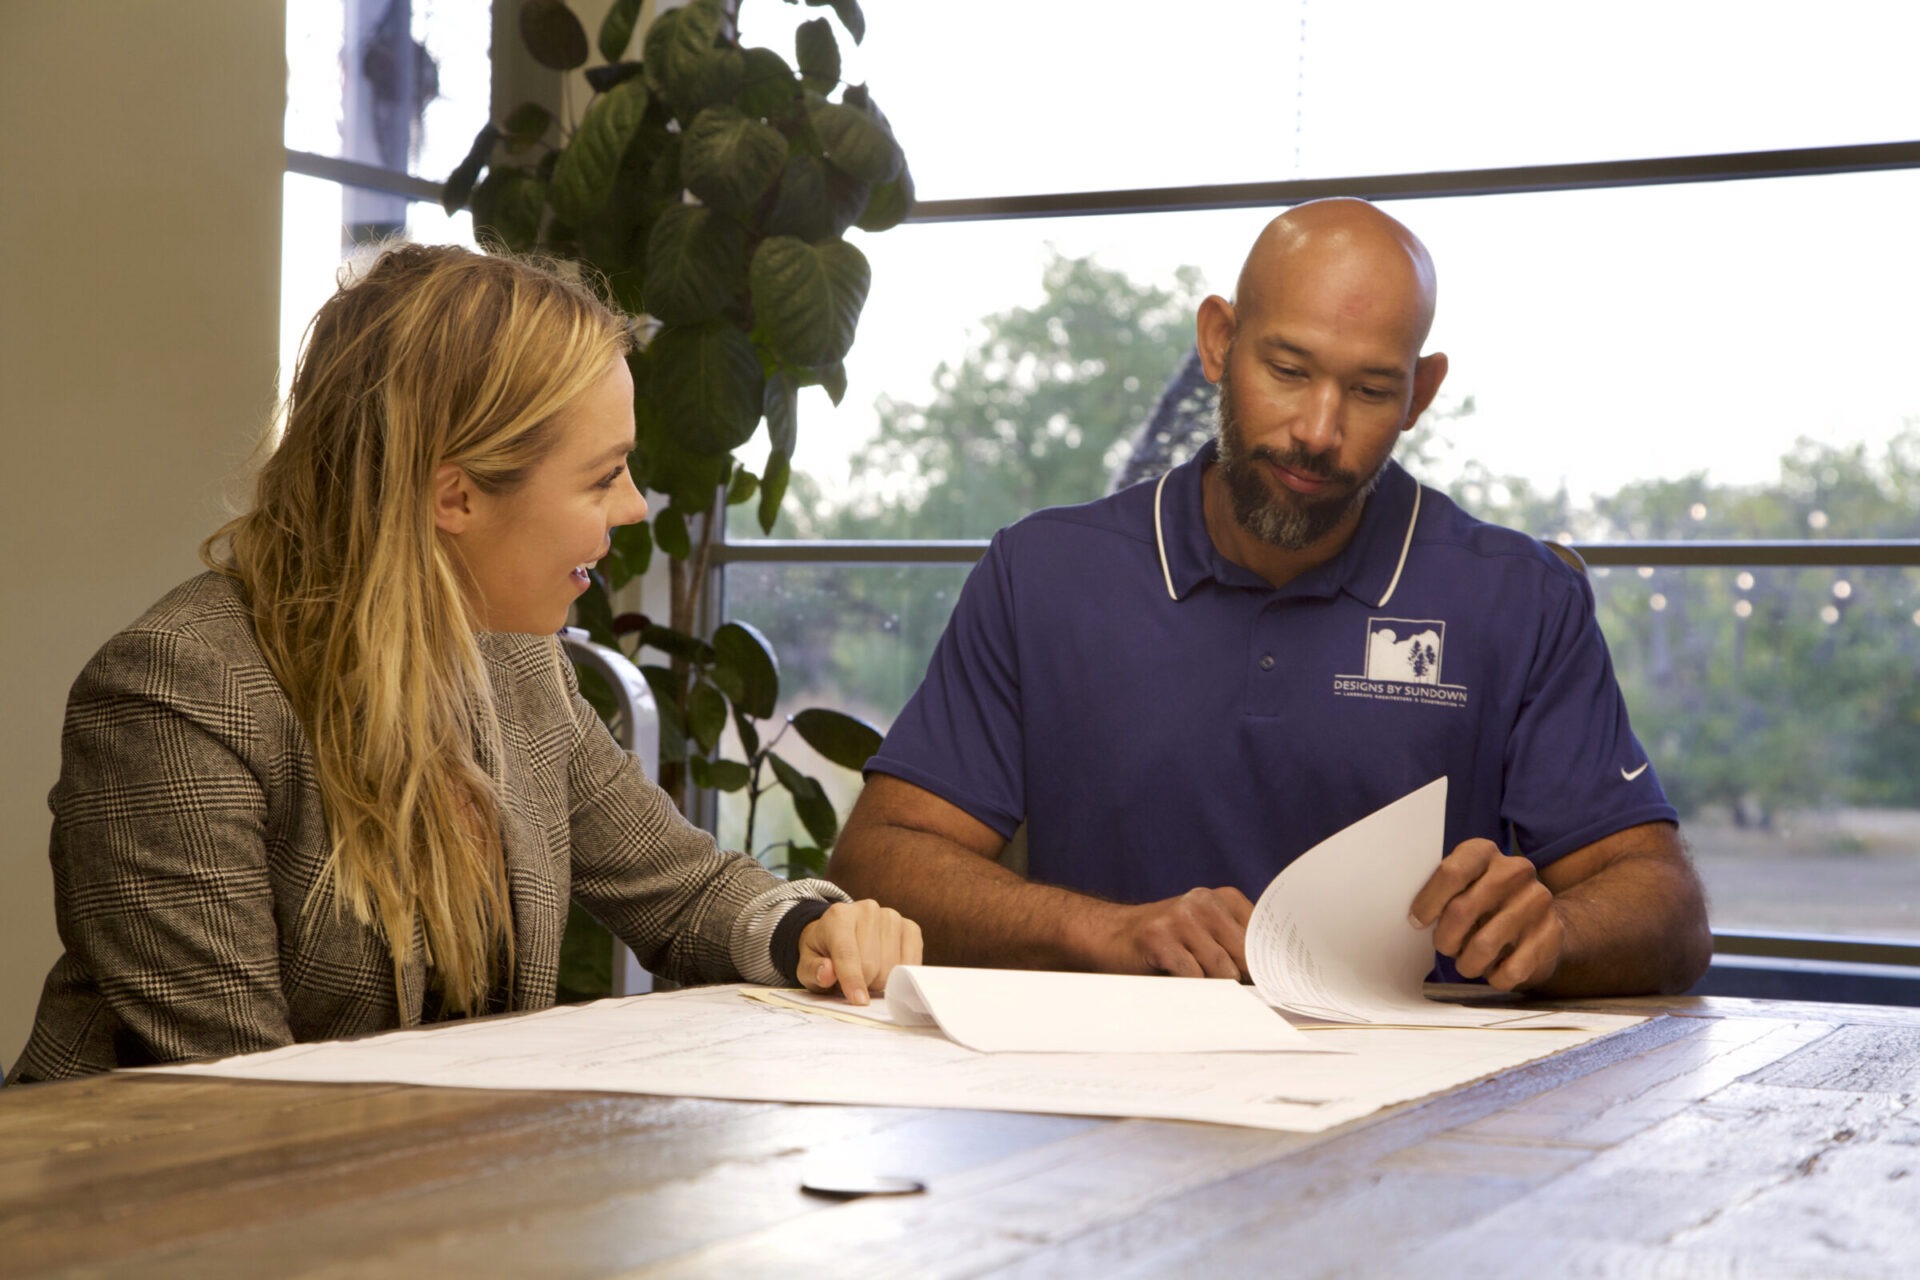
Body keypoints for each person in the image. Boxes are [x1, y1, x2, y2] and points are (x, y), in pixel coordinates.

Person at [9, 244, 919, 1085]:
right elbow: (240, 1094)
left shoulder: (518, 664)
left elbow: (686, 896)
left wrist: (812, 928)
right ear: (456, 496)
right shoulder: (178, 695)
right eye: (603, 476)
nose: (636, 507)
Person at [830, 199, 1710, 998]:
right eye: (1288, 369)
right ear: (1218, 341)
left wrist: (1558, 931)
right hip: (1101, 1105)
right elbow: (884, 858)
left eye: (1370, 391)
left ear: (1421, 393)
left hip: (1414, 1117)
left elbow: (1667, 908)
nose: (1318, 433)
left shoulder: (1520, 598)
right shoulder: (1044, 571)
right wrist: (1102, 930)